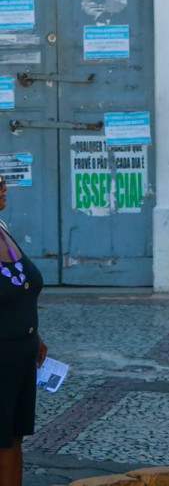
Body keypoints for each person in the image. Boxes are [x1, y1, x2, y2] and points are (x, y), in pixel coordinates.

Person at [0, 174, 46, 486]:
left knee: (14, 438)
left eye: (2, 182)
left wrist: (35, 336)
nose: (4, 189)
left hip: (21, 351)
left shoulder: (3, 229)